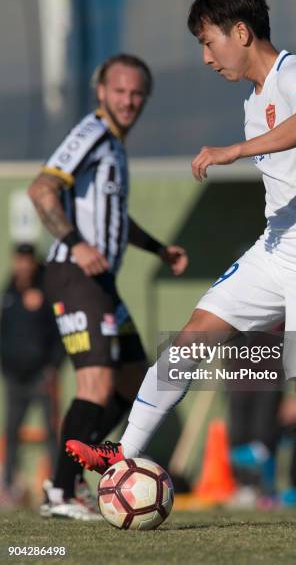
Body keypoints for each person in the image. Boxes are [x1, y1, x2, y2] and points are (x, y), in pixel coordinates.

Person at [66, 0, 296, 528]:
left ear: (240, 33)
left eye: (208, 43)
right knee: (188, 342)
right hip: (276, 250)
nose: (207, 58)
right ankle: (122, 453)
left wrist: (234, 150)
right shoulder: (251, 99)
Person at [28, 54, 188, 519]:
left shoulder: (115, 146)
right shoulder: (92, 133)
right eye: (119, 91)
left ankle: (77, 472)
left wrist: (158, 249)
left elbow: (114, 219)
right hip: (75, 275)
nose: (128, 100)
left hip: (102, 282)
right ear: (102, 92)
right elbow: (41, 189)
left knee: (135, 381)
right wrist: (76, 244)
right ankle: (60, 491)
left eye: (137, 93)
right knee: (94, 385)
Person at [0, 244, 64, 507]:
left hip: (41, 376)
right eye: (19, 261)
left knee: (52, 431)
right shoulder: (9, 292)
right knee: (12, 431)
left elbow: (61, 333)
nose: (23, 266)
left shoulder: (47, 292)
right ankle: (8, 487)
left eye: (27, 261)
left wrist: (53, 367)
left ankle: (58, 487)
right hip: (15, 377)